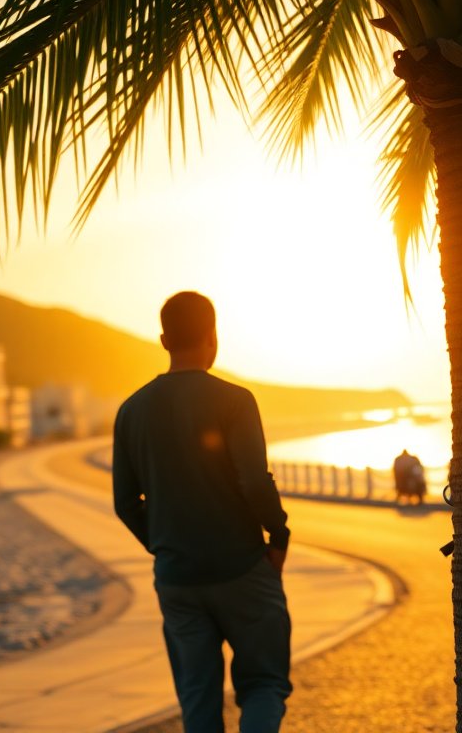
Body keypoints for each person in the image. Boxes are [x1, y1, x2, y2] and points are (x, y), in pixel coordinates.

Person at [112, 291, 293, 732]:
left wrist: (164, 547)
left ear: (162, 339)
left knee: (198, 701)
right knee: (264, 685)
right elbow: (253, 481)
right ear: (213, 337)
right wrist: (278, 535)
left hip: (177, 580)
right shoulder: (234, 400)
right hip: (243, 568)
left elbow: (124, 504)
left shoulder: (131, 411)